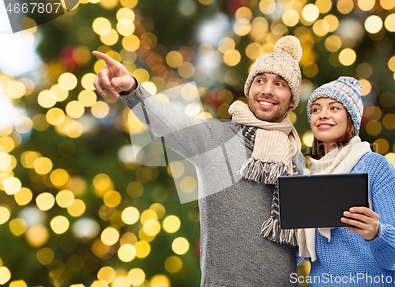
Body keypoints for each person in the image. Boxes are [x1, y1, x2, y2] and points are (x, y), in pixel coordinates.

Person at [93, 36, 306, 286]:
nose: (267, 90)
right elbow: (169, 122)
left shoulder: (295, 158)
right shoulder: (216, 139)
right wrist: (131, 88)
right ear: (249, 89)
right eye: (260, 81)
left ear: (292, 100)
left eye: (279, 83)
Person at [297, 77, 395, 286]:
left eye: (334, 108)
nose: (323, 114)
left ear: (351, 119)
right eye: (316, 109)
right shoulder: (308, 177)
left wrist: (377, 233)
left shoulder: (374, 167)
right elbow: (291, 254)